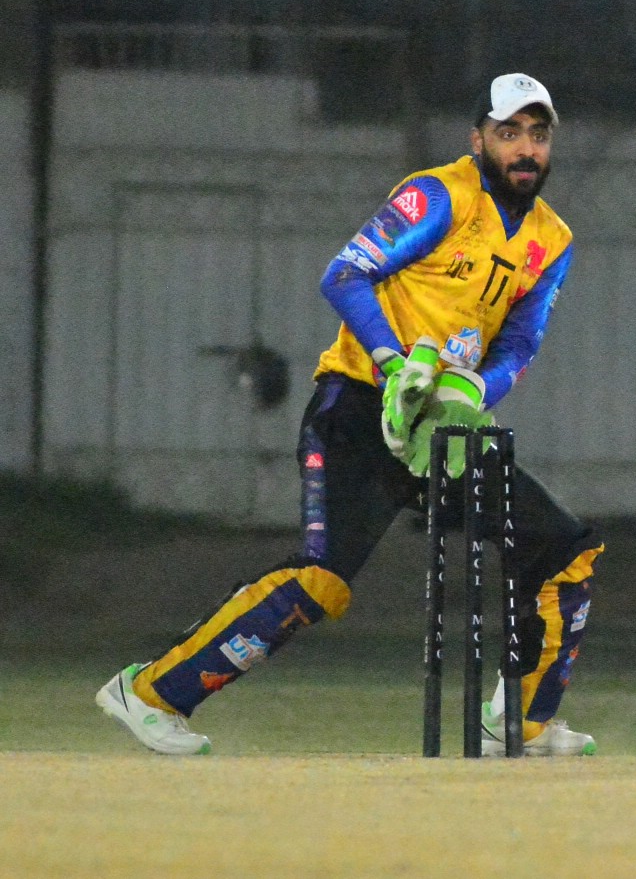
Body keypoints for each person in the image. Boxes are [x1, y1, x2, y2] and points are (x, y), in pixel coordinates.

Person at [96, 73, 604, 757]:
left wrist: (473, 392)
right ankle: (150, 693)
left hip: (443, 428)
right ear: (477, 137)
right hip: (360, 407)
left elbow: (520, 342)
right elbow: (344, 274)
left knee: (564, 548)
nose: (525, 149)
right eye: (508, 132)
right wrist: (395, 365)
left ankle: (518, 722)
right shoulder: (438, 195)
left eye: (537, 135)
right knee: (320, 580)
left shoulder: (552, 238)